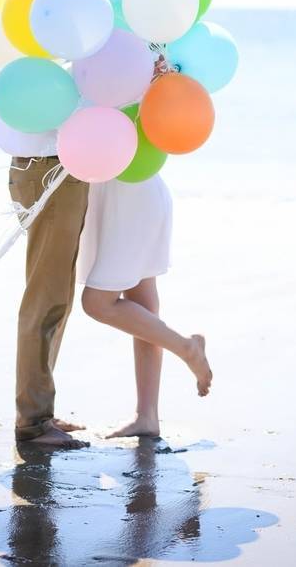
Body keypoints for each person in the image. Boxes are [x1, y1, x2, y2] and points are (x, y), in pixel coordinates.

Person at [77, 170, 212, 439]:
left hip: (132, 201)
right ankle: (147, 416)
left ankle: (187, 348)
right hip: (125, 197)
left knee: (96, 303)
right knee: (144, 309)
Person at [8, 129, 90, 449]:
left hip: (55, 165)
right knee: (46, 299)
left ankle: (40, 413)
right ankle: (32, 421)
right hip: (49, 167)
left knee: (58, 297)